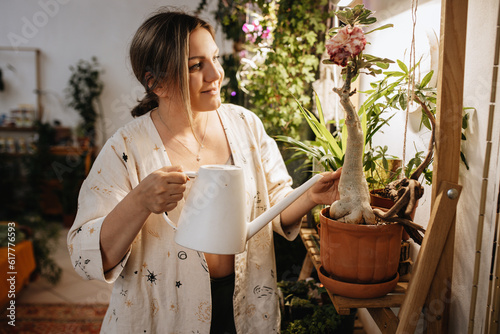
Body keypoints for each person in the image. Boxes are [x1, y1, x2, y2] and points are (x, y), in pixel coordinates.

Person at [68, 8, 341, 334]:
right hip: (163, 313)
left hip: (245, 303)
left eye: (215, 58)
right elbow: (86, 255)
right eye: (196, 66)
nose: (216, 74)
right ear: (155, 82)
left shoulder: (245, 125)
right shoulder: (126, 148)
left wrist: (309, 194)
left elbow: (276, 207)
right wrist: (139, 200)